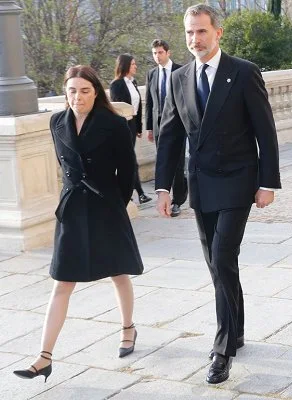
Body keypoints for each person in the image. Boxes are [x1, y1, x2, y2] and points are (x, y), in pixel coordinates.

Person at [154, 4, 281, 384]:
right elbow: (170, 137)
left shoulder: (242, 72)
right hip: (202, 184)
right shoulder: (178, 79)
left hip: (238, 181)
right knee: (217, 263)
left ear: (218, 33)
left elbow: (265, 130)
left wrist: (268, 182)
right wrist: (163, 187)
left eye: (202, 32)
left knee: (223, 254)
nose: (195, 40)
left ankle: (223, 346)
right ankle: (237, 328)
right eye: (190, 33)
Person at [13, 66, 144, 382]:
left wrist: (116, 203)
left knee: (118, 272)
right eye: (72, 90)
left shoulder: (113, 124)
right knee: (62, 281)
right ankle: (44, 357)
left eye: (84, 90)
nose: (77, 96)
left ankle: (128, 328)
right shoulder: (57, 121)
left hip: (106, 207)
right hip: (72, 209)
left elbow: (128, 171)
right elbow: (64, 165)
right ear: (65, 92)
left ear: (96, 92)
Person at [145, 39, 188, 217]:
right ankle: (164, 194)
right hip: (158, 125)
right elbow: (149, 102)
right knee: (164, 160)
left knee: (178, 163)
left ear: (168, 53)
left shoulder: (181, 71)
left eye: (160, 52)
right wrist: (148, 127)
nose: (157, 56)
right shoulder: (152, 74)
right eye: (154, 53)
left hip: (177, 123)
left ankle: (178, 200)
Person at [109, 54, 152, 205]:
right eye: (133, 64)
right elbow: (118, 108)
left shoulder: (133, 83)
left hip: (132, 124)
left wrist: (139, 128)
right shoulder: (117, 84)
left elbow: (138, 107)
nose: (135, 66)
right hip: (123, 125)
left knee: (129, 159)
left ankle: (135, 192)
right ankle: (138, 192)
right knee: (129, 159)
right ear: (125, 66)